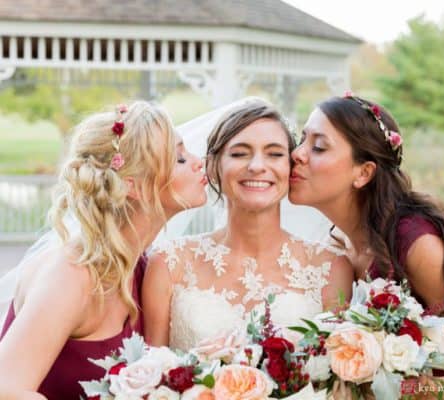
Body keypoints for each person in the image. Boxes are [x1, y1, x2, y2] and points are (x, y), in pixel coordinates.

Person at [289, 93, 444, 399]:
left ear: (364, 173)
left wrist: (423, 392)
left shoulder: (420, 247)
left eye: (318, 147)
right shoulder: (335, 242)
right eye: (301, 139)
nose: (297, 154)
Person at [0, 101, 207, 399]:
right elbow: (6, 388)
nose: (198, 161)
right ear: (135, 187)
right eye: (179, 158)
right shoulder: (72, 275)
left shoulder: (143, 267)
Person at [143, 98, 354, 349]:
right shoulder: (168, 264)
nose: (256, 167)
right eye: (240, 154)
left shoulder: (332, 268)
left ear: (291, 167)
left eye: (274, 154)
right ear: (212, 167)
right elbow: (154, 368)